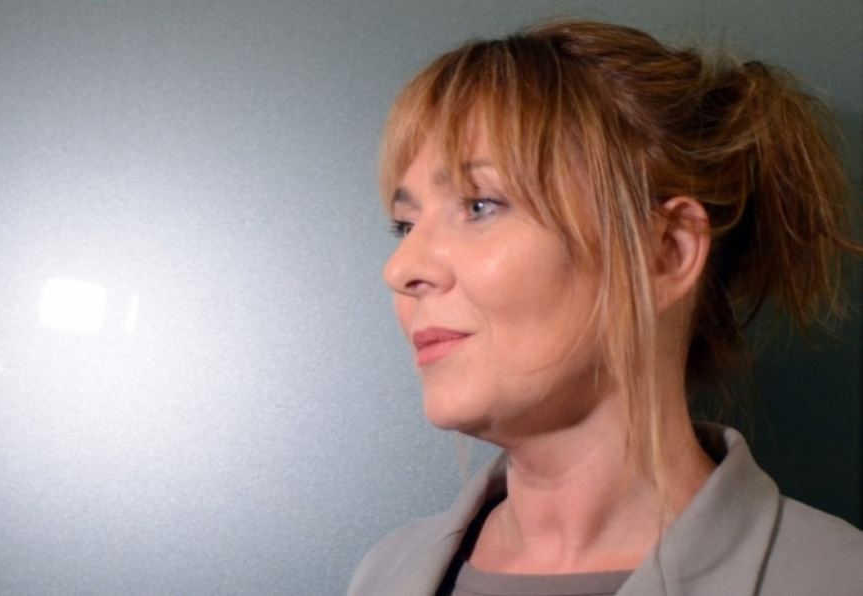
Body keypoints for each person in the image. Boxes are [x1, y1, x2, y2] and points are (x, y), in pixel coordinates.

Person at [347, 19, 863, 596]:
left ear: (666, 253)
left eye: (480, 205)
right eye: (405, 224)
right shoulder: (383, 574)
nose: (400, 269)